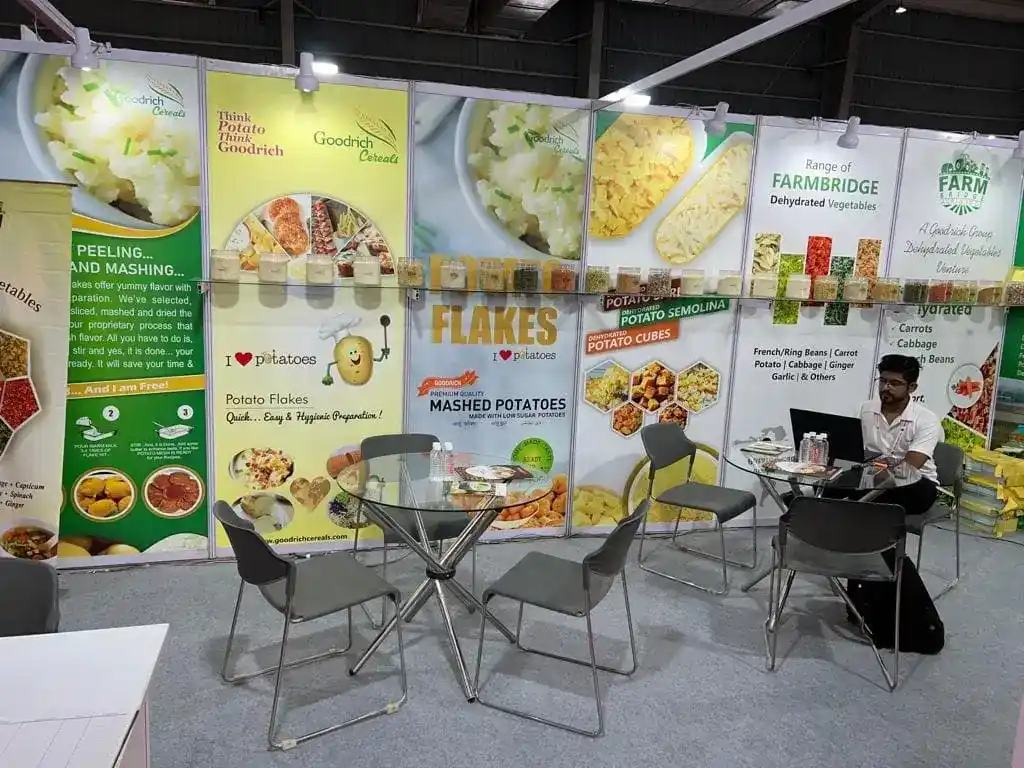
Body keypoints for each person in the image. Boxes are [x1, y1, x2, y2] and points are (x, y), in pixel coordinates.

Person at [857, 354, 941, 517]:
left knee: (889, 495)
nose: (886, 387)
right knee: (829, 488)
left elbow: (908, 468)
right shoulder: (864, 410)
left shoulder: (926, 419)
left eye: (895, 383)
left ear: (912, 387)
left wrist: (871, 478)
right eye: (882, 381)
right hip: (871, 477)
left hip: (915, 483)